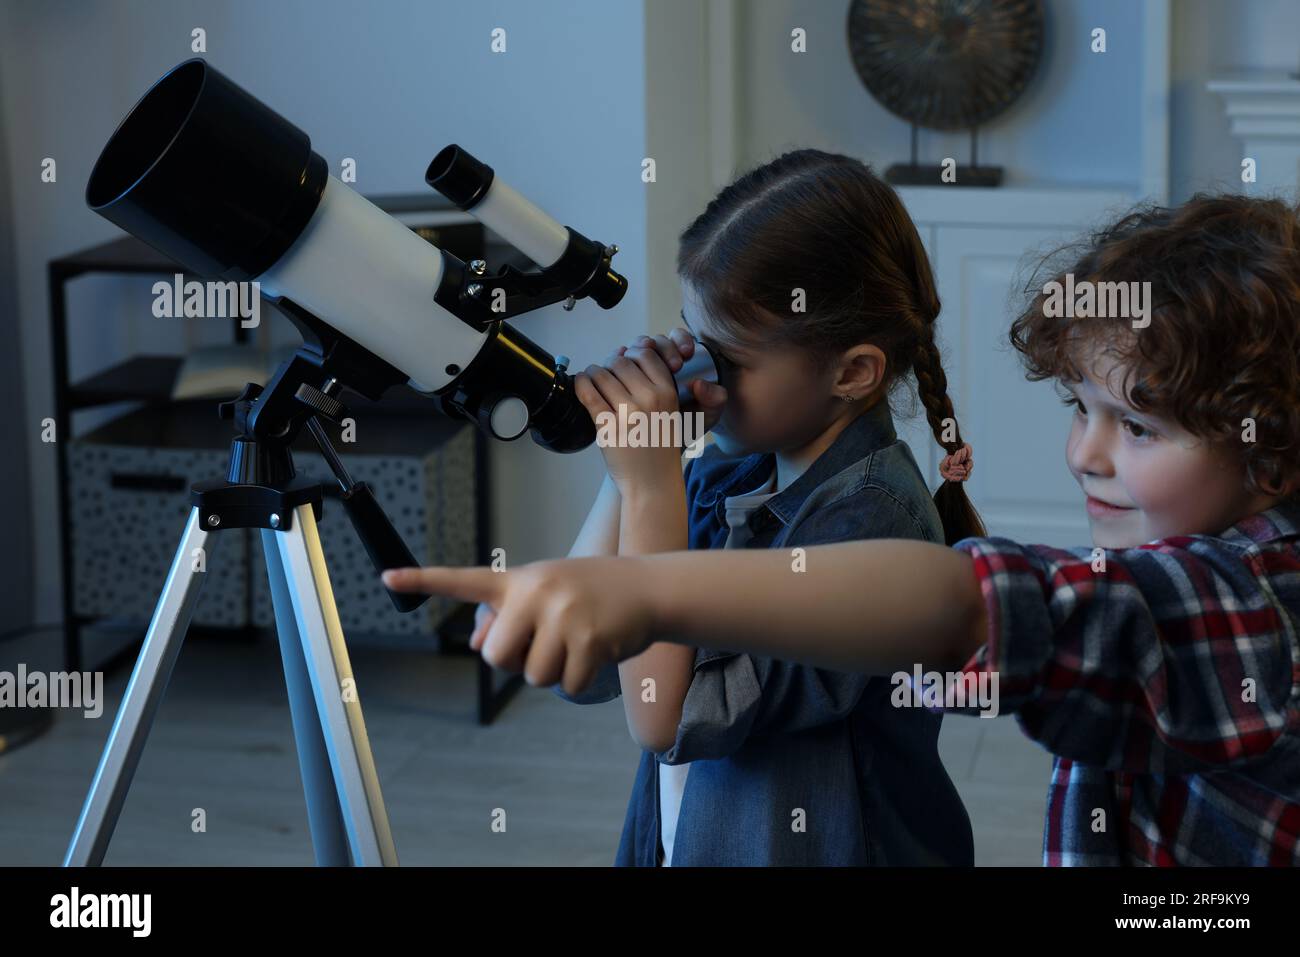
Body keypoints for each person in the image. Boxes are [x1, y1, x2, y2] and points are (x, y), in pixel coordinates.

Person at [388, 193, 1300, 866]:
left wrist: (645, 518)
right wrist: (638, 471)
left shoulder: (881, 515)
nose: (1084, 454)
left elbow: (664, 715)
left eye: (1136, 426)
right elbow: (593, 676)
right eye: (1080, 408)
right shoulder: (732, 471)